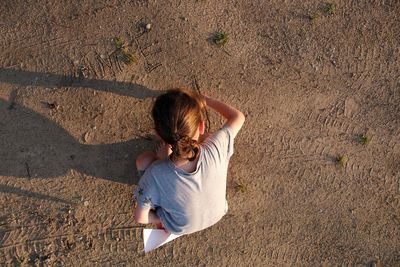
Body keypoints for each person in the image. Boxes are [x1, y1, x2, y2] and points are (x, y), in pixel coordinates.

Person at [134, 88, 245, 235]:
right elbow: (238, 116)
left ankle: (166, 160)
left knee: (144, 161)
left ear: (158, 134)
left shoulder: (155, 173)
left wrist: (161, 219)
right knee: (208, 138)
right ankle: (171, 156)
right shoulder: (217, 145)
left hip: (178, 227)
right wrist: (205, 100)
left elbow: (141, 217)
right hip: (218, 213)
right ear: (201, 125)